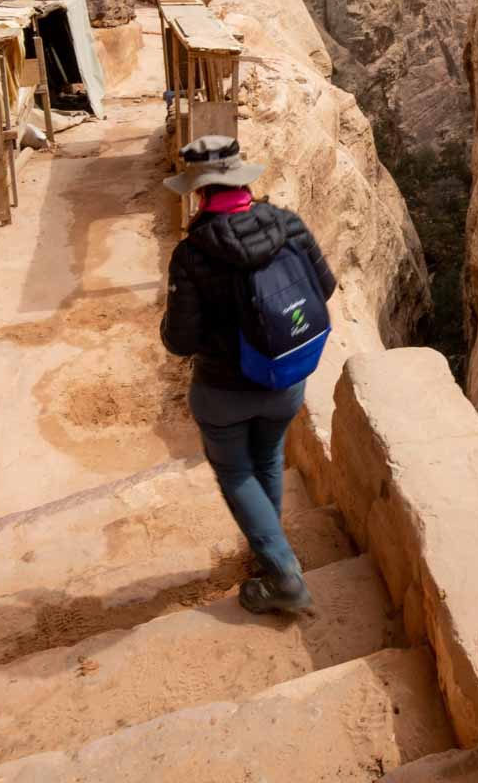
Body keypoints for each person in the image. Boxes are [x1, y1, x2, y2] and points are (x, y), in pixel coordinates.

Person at [161, 136, 336, 615]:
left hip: (224, 391)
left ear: (200, 192)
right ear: (243, 181)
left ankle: (283, 575)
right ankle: (268, 548)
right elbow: (324, 287)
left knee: (237, 471)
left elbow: (180, 340)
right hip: (285, 379)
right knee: (269, 458)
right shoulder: (288, 224)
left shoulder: (192, 254)